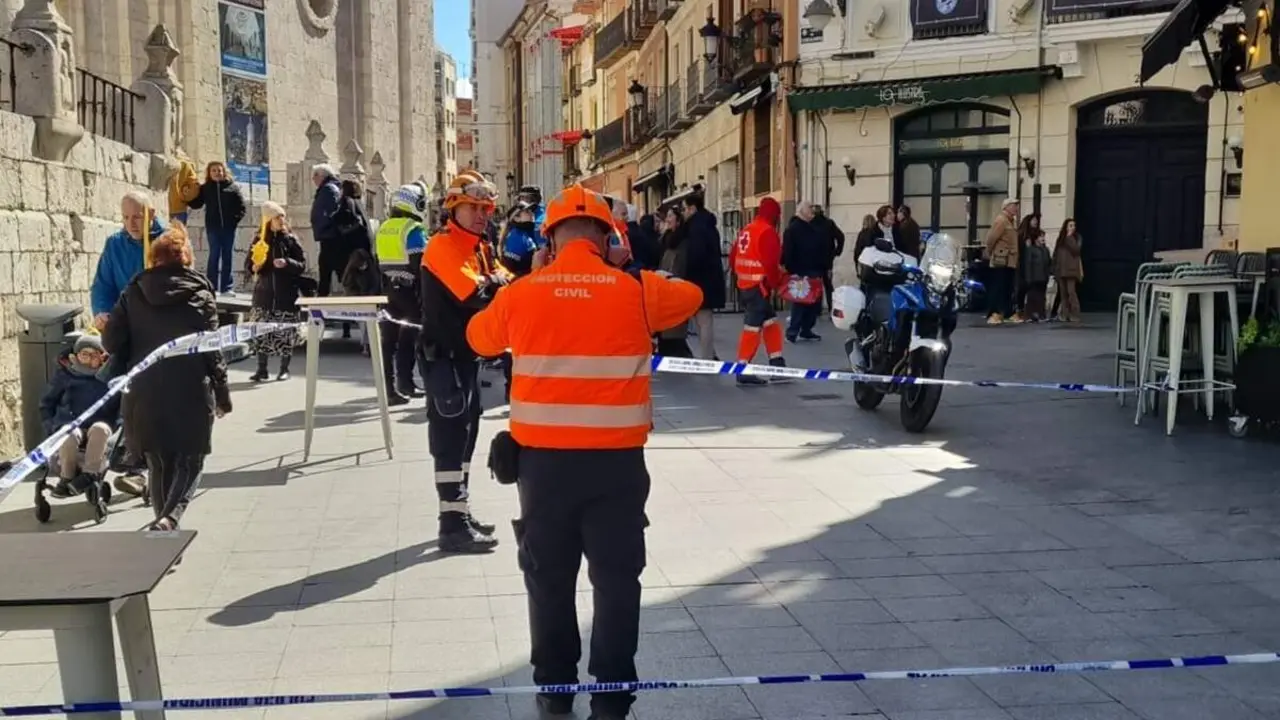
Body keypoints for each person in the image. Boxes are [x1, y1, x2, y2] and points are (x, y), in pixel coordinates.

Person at [465, 183, 702, 720]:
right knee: (616, 582)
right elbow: (691, 295)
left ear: (548, 240)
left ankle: (554, 689)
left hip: (542, 468)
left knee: (548, 580)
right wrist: (625, 267)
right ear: (608, 236)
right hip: (616, 466)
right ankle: (612, 697)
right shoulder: (635, 290)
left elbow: (479, 338)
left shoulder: (523, 293)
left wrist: (531, 280)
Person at [102, 223, 232, 532]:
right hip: (190, 389)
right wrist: (222, 392)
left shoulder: (133, 291)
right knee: (191, 459)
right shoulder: (200, 293)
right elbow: (211, 348)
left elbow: (110, 342)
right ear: (186, 257)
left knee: (158, 462)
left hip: (144, 391)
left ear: (154, 258)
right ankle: (169, 519)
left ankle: (163, 530)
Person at [420, 170, 505, 553]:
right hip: (444, 357)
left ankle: (460, 512)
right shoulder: (442, 246)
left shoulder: (478, 247)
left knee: (467, 436)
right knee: (450, 438)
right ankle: (451, 525)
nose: (482, 214)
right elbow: (474, 294)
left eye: (486, 208)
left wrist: (494, 282)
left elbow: (503, 280)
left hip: (466, 356)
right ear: (454, 207)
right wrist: (493, 283)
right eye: (474, 207)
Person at [39, 332, 120, 498]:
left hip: (101, 425)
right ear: (75, 356)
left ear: (103, 358)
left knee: (100, 429)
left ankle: (90, 475)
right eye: (84, 355)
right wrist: (51, 427)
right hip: (70, 423)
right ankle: (66, 477)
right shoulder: (65, 377)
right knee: (69, 432)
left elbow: (122, 408)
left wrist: (118, 428)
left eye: (94, 355)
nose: (89, 359)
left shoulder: (110, 378)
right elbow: (47, 404)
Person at [375, 184, 431, 405]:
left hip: (388, 289)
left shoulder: (384, 227)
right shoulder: (413, 228)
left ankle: (389, 390)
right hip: (409, 290)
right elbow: (419, 263)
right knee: (409, 339)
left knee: (388, 343)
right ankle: (405, 382)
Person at [728, 197, 789, 386]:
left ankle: (777, 364)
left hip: (745, 285)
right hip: (759, 287)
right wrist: (777, 283)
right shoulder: (768, 232)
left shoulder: (748, 229)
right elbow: (770, 264)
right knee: (752, 328)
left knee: (770, 322)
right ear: (775, 216)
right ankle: (743, 368)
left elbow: (732, 257)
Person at [244, 202, 306, 382]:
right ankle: (261, 369)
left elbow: (302, 265)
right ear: (268, 220)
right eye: (277, 217)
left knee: (286, 334)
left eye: (282, 217)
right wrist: (254, 267)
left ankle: (284, 369)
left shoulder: (290, 240)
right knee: (261, 333)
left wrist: (287, 263)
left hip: (285, 295)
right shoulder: (259, 240)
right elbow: (249, 264)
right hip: (264, 295)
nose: (281, 220)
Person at [91, 192, 167, 330]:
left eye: (137, 217)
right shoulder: (115, 244)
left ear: (151, 214)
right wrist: (102, 312)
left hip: (162, 323)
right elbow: (103, 285)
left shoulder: (168, 242)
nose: (131, 224)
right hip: (125, 323)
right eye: (126, 217)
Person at [186, 161, 247, 294]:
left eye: (219, 170)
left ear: (224, 172)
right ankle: (211, 286)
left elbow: (242, 207)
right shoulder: (205, 188)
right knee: (214, 255)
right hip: (213, 227)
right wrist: (187, 196)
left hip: (228, 228)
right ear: (209, 173)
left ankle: (227, 287)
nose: (217, 173)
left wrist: (234, 221)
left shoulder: (232, 187)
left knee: (227, 256)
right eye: (213, 170)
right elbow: (197, 204)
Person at [680, 193, 727, 360]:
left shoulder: (696, 228)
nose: (683, 213)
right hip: (708, 278)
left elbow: (696, 255)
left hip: (701, 280)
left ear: (692, 209)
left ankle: (707, 359)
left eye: (684, 209)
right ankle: (710, 355)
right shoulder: (706, 224)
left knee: (704, 321)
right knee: (703, 320)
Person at [782, 201, 827, 343]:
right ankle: (793, 331)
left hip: (814, 269)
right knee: (800, 302)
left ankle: (806, 329)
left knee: (814, 302)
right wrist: (791, 269)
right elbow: (788, 251)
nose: (812, 210)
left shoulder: (813, 227)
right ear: (801, 211)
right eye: (809, 208)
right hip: (800, 271)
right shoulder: (793, 229)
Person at [656, 206, 693, 358]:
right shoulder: (665, 238)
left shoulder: (682, 241)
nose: (667, 219)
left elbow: (680, 264)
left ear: (678, 221)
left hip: (674, 284)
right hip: (663, 283)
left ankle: (678, 353)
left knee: (674, 328)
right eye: (667, 216)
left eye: (671, 216)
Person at [310, 163, 346, 296]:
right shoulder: (329, 188)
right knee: (329, 267)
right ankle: (323, 294)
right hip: (328, 235)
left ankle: (323, 295)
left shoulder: (328, 189)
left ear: (322, 176)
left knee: (329, 267)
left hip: (330, 236)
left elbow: (333, 212)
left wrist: (325, 225)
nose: (313, 179)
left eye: (315, 176)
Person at [984, 198, 1021, 325]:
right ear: (1006, 207)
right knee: (998, 287)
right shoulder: (1001, 220)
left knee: (1007, 287)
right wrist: (989, 252)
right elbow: (991, 238)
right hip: (1001, 259)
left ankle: (1007, 312)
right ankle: (993, 313)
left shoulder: (1011, 221)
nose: (1016, 208)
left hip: (1010, 260)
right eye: (1014, 205)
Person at [812, 205, 846, 313]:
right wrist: (836, 251)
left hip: (814, 259)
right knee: (828, 285)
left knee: (816, 284)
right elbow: (840, 237)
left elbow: (840, 237)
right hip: (827, 260)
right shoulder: (828, 223)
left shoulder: (810, 224)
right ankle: (831, 307)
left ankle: (817, 309)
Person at [1053, 218, 1083, 323]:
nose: (1072, 228)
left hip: (1071, 270)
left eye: (1074, 226)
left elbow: (1076, 250)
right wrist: (1054, 268)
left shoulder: (1076, 238)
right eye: (1070, 225)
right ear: (1065, 227)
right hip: (1061, 270)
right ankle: (1065, 314)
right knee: (1063, 294)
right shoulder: (1060, 239)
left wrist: (1069, 238)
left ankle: (1075, 313)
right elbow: (1056, 254)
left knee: (1071, 292)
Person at [500, 202, 542, 277]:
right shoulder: (516, 237)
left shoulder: (528, 233)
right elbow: (512, 270)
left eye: (532, 211)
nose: (532, 214)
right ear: (516, 218)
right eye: (527, 211)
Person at [1013, 213, 1041, 322]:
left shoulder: (1036, 235)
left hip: (1033, 265)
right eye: (1033, 220)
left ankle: (1030, 311)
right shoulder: (1022, 235)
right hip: (1023, 264)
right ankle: (1019, 310)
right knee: (1022, 288)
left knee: (1032, 289)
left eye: (1036, 220)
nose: (1035, 222)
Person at [1021, 230, 1052, 321]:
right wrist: (1028, 278)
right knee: (1032, 296)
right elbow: (1028, 264)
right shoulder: (1031, 250)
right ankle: (1030, 314)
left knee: (1042, 297)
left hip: (1043, 277)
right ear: (1035, 239)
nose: (1043, 238)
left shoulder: (1046, 250)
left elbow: (1049, 263)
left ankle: (1041, 314)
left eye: (1043, 236)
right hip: (1034, 277)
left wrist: (1050, 273)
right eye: (1040, 236)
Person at [167, 153, 201, 226]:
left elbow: (194, 188)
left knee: (177, 232)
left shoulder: (186, 166)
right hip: (169, 207)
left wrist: (182, 197)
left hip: (178, 209)